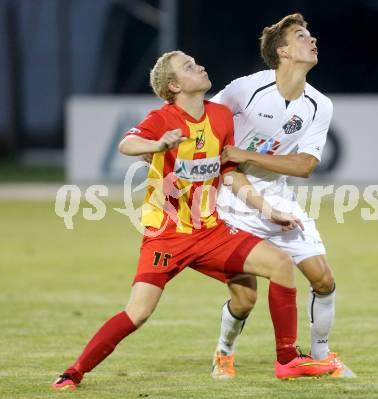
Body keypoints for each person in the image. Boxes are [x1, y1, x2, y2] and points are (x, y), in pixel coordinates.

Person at [52, 50, 337, 390]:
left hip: (211, 231)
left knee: (280, 265)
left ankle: (287, 359)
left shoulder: (219, 116)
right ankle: (74, 372)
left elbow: (230, 174)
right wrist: (157, 144)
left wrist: (266, 209)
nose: (200, 65)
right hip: (166, 236)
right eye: (189, 67)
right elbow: (127, 144)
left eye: (196, 61)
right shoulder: (163, 118)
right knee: (138, 313)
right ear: (174, 85)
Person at [209, 13, 355, 379]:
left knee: (323, 279)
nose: (313, 40)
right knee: (245, 300)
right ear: (283, 50)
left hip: (279, 197)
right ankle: (223, 353)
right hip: (233, 200)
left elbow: (305, 165)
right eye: (303, 36)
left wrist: (246, 155)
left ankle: (320, 355)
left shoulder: (320, 105)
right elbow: (204, 119)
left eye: (311, 35)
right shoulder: (246, 89)